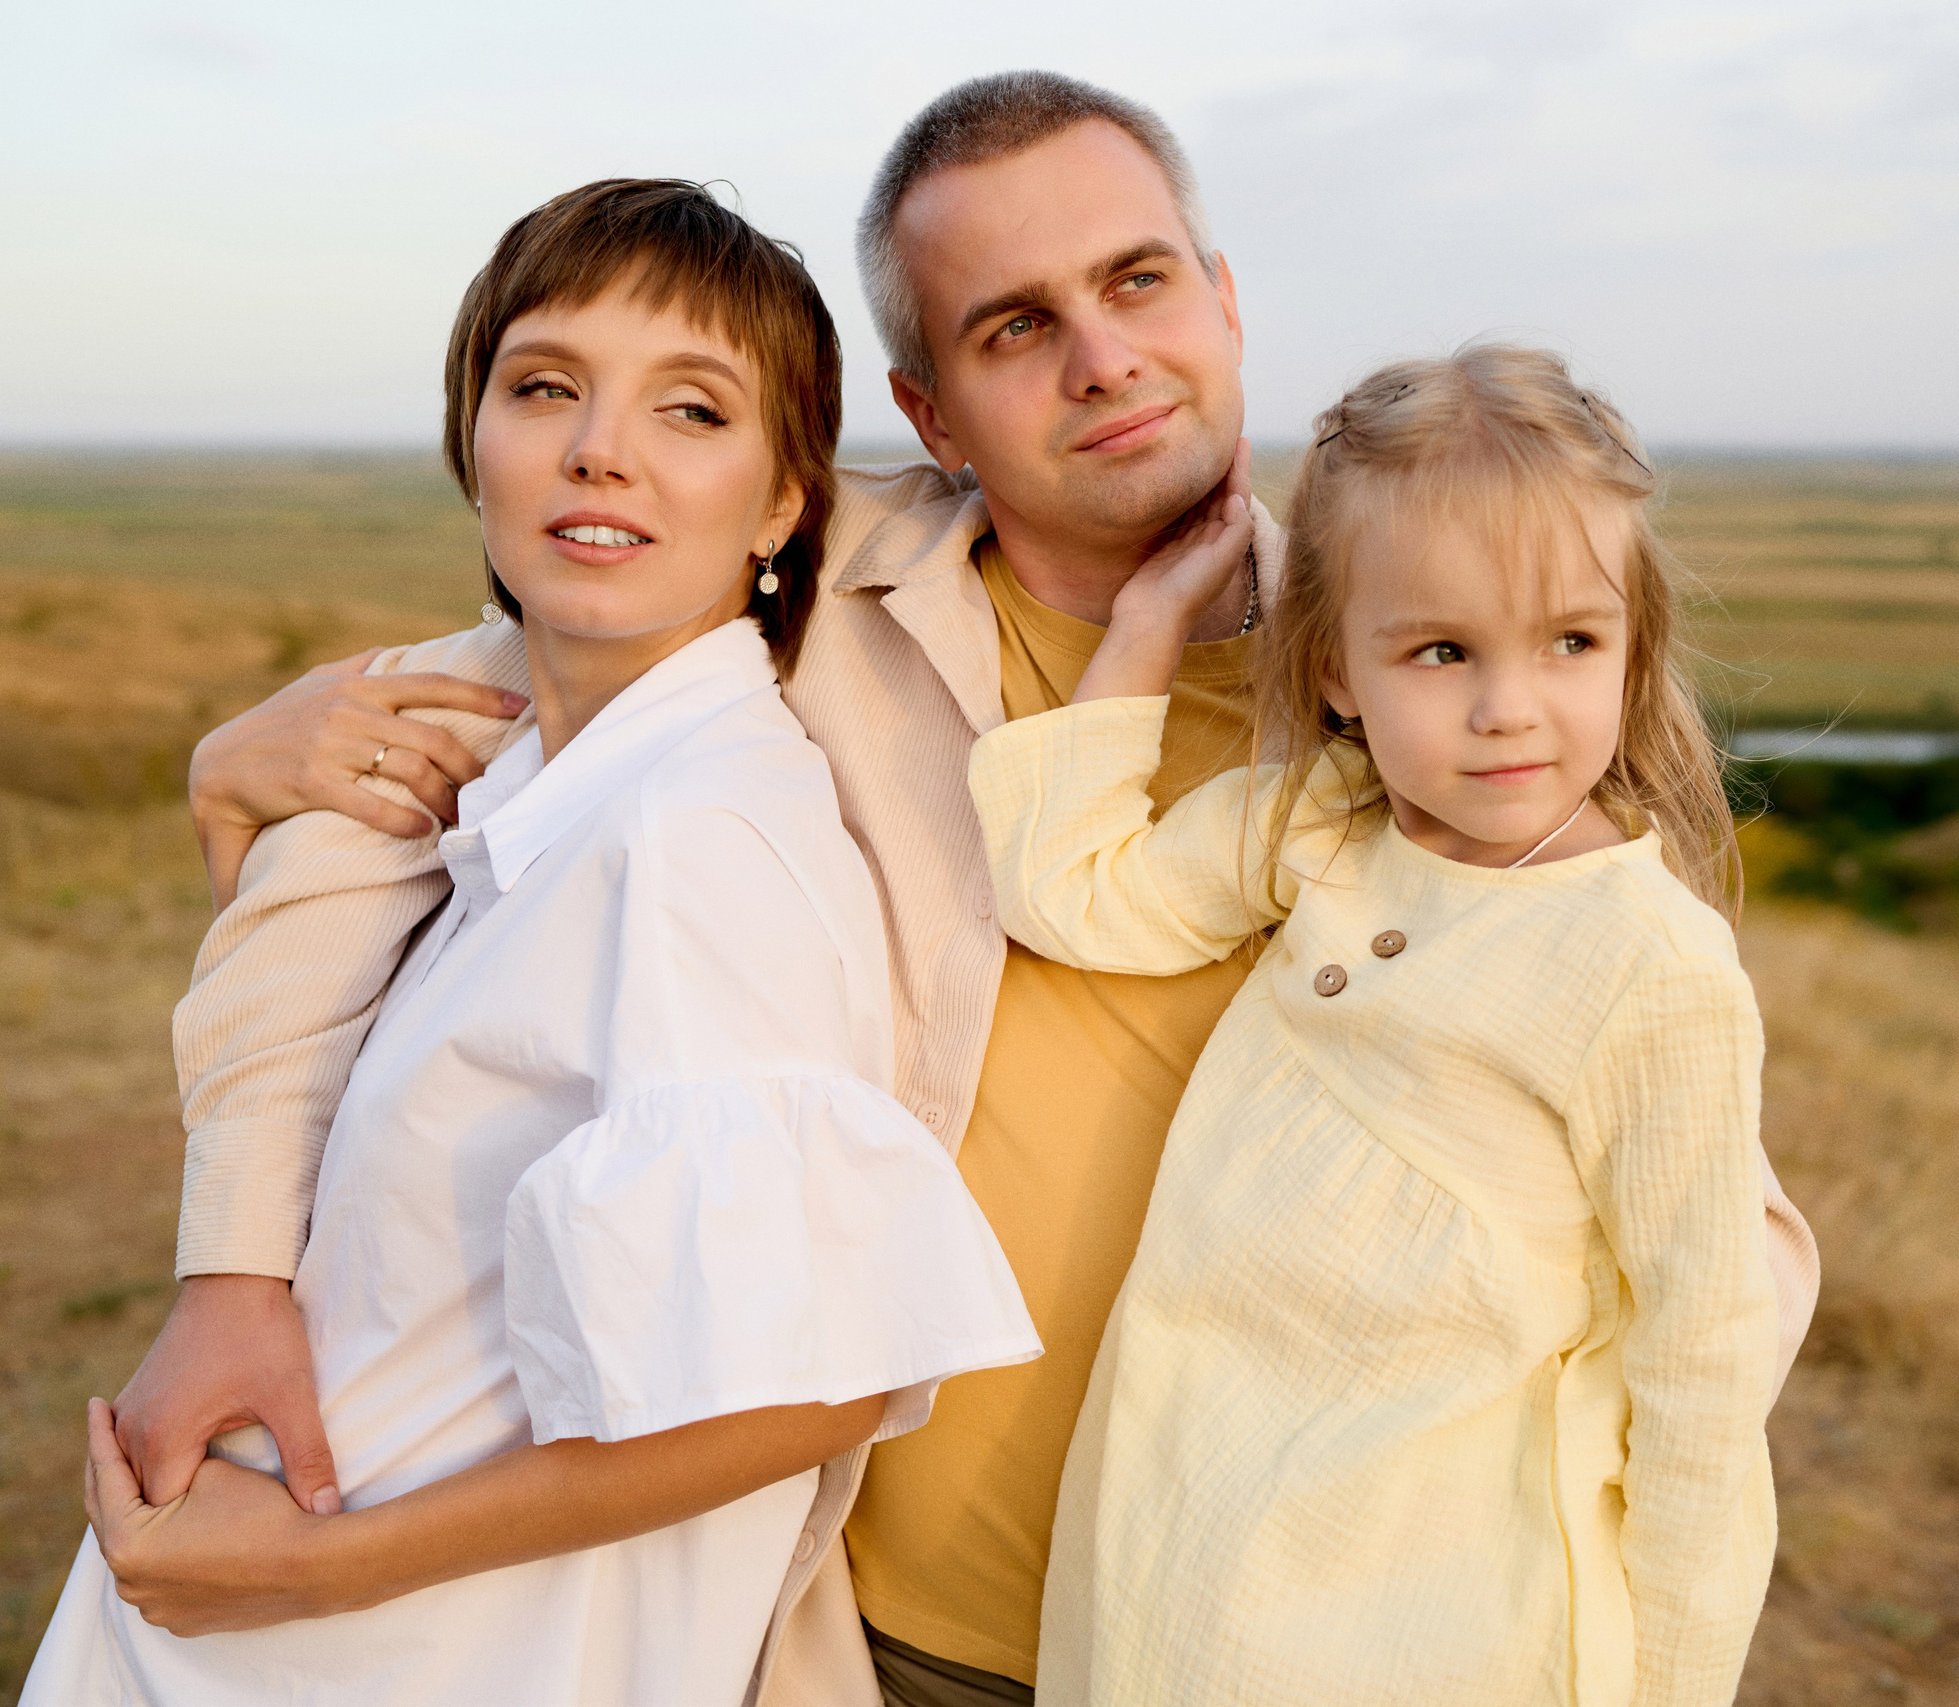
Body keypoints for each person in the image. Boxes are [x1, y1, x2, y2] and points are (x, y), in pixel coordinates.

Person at [111, 75, 1820, 1707]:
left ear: (1222, 301)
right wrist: (236, 1251)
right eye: (1013, 327)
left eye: (1138, 282)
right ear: (925, 409)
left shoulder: (1438, 670)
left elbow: (1708, 1222)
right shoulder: (791, 608)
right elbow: (383, 794)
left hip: (1309, 1624)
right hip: (882, 1623)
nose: (1103, 360)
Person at [20, 178, 1037, 1707]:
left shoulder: (697, 845)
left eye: (691, 410)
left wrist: (314, 1568)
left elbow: (818, 1381)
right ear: (473, 441)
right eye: (544, 386)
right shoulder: (523, 793)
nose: (597, 446)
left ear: (781, 505)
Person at [971, 345, 1780, 1705]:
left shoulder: (1650, 969)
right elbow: (1074, 893)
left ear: (1632, 642)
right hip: (1182, 1584)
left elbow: (1699, 1380)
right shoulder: (1318, 827)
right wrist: (1151, 624)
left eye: (1572, 641)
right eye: (1442, 650)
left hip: (1437, 1627)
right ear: (1338, 667)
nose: (1510, 708)